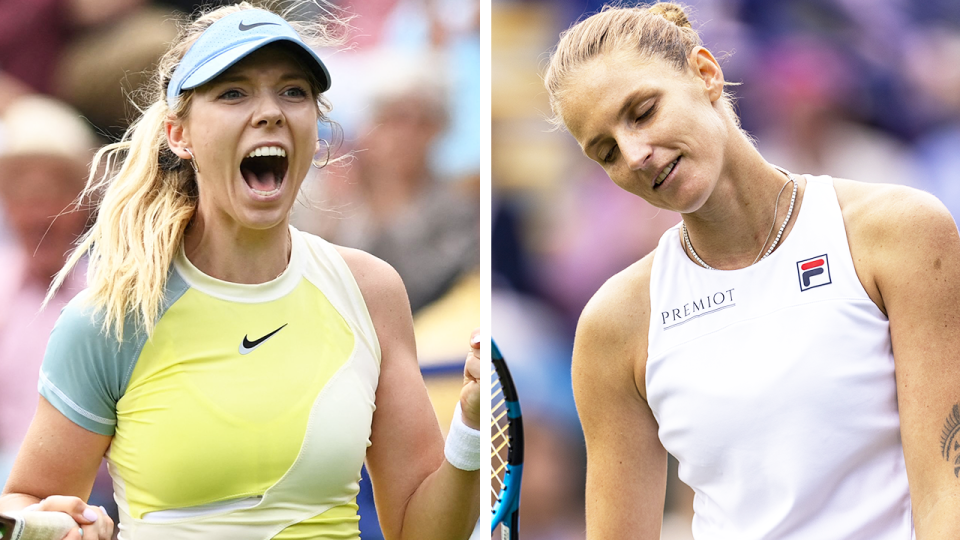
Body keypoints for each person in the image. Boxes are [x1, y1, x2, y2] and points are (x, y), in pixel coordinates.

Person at [0, 3, 481, 540]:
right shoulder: (110, 314)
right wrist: (58, 528)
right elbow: (25, 506)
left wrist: (471, 424)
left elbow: (423, 532)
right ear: (178, 134)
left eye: (293, 92)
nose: (271, 111)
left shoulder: (371, 292)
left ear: (316, 129)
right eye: (233, 92)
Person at [544, 3, 960, 539]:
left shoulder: (901, 231)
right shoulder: (613, 324)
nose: (635, 155)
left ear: (705, 73)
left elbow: (947, 494)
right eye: (606, 152)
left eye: (642, 112)